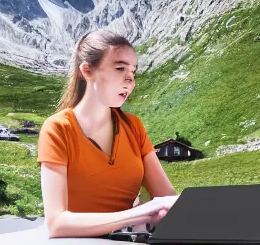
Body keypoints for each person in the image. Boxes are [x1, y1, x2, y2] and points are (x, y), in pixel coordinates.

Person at [37, 29, 179, 239]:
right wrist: (139, 213)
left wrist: (164, 211)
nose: (130, 80)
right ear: (87, 71)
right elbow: (57, 223)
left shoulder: (134, 127)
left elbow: (166, 197)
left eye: (133, 72)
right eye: (120, 68)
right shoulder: (57, 129)